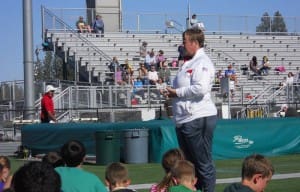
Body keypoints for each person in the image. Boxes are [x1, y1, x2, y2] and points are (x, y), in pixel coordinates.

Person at [162, 28, 217, 192]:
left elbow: (201, 88)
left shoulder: (202, 62)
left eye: (185, 41)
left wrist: (176, 92)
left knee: (202, 163)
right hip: (186, 118)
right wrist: (172, 94)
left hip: (197, 117)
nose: (182, 44)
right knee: (192, 164)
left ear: (195, 43)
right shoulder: (190, 62)